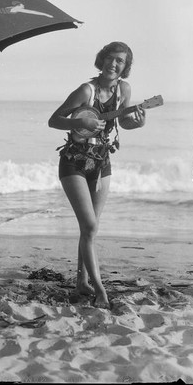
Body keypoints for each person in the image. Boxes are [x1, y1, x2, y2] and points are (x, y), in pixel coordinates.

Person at [48, 41, 146, 308]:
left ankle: (82, 282)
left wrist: (138, 121)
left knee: (89, 229)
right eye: (110, 58)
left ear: (125, 67)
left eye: (120, 62)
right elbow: (54, 120)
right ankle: (100, 290)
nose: (114, 64)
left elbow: (123, 121)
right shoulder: (85, 90)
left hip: (102, 163)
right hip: (74, 162)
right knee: (90, 226)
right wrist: (78, 122)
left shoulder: (123, 89)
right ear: (101, 59)